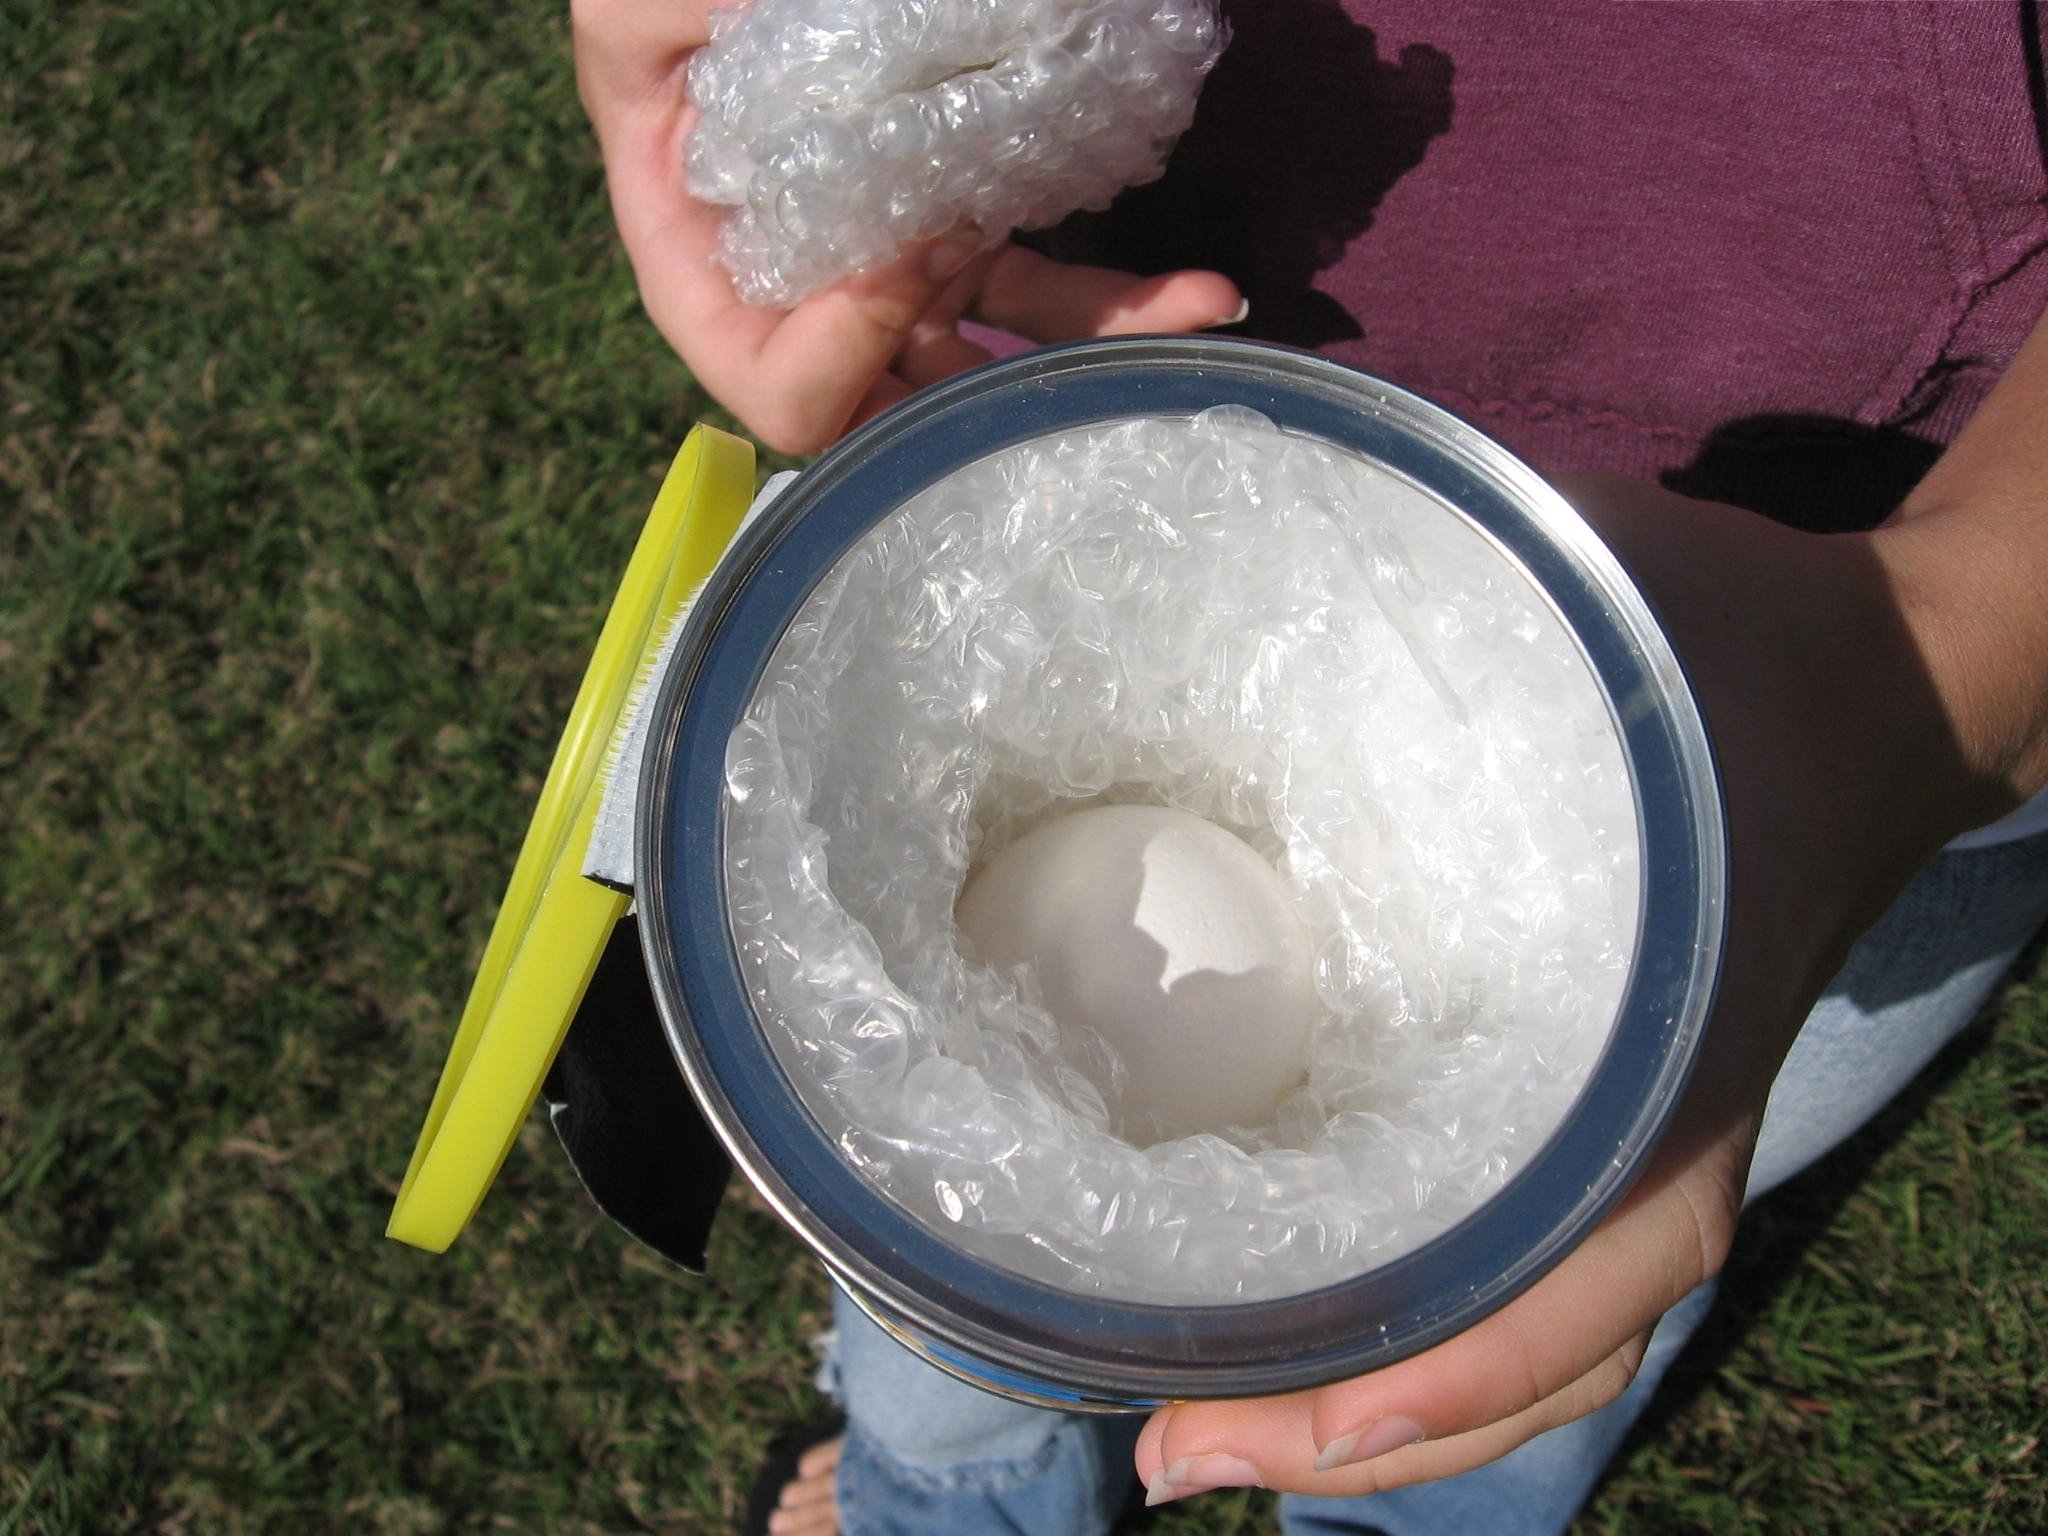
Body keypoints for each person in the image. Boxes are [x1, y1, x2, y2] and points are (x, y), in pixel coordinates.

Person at [572, 1, 2048, 1531]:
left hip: (1857, 649)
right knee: (952, 1270)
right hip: (1102, 353)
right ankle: (961, 1487)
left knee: (1533, 1300)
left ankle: (1368, 1508)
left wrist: (1941, 649)